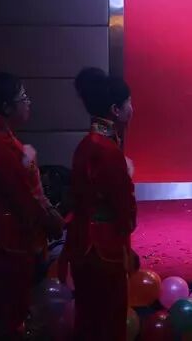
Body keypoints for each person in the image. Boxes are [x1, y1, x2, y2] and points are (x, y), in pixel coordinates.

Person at [60, 67, 136, 341]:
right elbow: (123, 207)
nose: (132, 109)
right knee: (109, 319)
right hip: (103, 247)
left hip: (82, 242)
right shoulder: (106, 150)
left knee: (88, 317)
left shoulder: (88, 144)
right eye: (128, 103)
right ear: (115, 110)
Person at [0, 72, 63, 339]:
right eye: (23, 98)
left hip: (18, 239)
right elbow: (22, 199)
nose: (28, 103)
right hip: (10, 242)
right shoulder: (1, 148)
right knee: (12, 313)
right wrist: (50, 220)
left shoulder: (8, 139)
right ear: (6, 107)